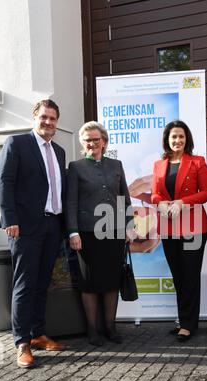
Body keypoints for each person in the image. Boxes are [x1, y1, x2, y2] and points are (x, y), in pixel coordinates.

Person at [0, 99, 66, 368]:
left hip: (52, 226)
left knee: (42, 283)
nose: (48, 122)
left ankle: (38, 333)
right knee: (24, 285)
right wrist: (9, 219)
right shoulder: (18, 144)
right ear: (34, 117)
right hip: (24, 227)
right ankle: (22, 342)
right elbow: (5, 182)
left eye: (53, 118)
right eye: (44, 117)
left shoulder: (59, 151)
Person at [66, 121, 133, 346]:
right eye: (88, 140)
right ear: (82, 144)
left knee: (111, 281)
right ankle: (93, 331)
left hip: (114, 232)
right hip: (86, 234)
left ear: (104, 142)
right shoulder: (75, 167)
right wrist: (73, 232)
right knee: (90, 283)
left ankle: (111, 329)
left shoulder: (116, 165)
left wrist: (129, 225)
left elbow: (124, 197)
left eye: (96, 139)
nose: (92, 144)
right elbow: (71, 202)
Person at [151, 120, 207, 341]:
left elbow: (206, 192)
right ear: (167, 139)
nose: (177, 140)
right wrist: (160, 203)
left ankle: (188, 325)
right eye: (174, 136)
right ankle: (184, 320)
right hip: (168, 227)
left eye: (181, 136)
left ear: (187, 139)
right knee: (178, 276)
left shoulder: (197, 162)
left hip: (193, 228)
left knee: (189, 276)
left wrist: (181, 202)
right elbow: (155, 193)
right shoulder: (159, 164)